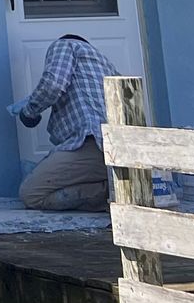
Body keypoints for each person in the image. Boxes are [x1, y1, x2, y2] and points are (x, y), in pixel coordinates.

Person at [10, 33, 118, 211]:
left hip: (91, 143)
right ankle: (114, 184)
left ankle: (109, 193)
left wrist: (29, 112)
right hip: (115, 148)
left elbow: (53, 85)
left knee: (31, 194)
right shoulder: (107, 66)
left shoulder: (67, 45)